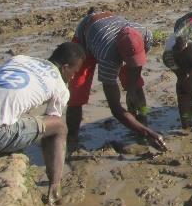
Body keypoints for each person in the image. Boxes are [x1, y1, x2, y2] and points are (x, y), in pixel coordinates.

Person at [66, 9, 166, 151]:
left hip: (109, 27)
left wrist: (131, 89)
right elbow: (115, 109)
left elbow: (136, 66)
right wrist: (147, 133)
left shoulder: (145, 35)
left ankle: (143, 121)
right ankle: (72, 139)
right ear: (120, 55)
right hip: (86, 38)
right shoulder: (109, 54)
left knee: (137, 87)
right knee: (77, 91)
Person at [0, 43, 85, 204]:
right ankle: (54, 186)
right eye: (74, 72)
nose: (73, 77)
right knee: (59, 127)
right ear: (65, 68)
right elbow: (51, 131)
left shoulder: (19, 59)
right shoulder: (60, 88)